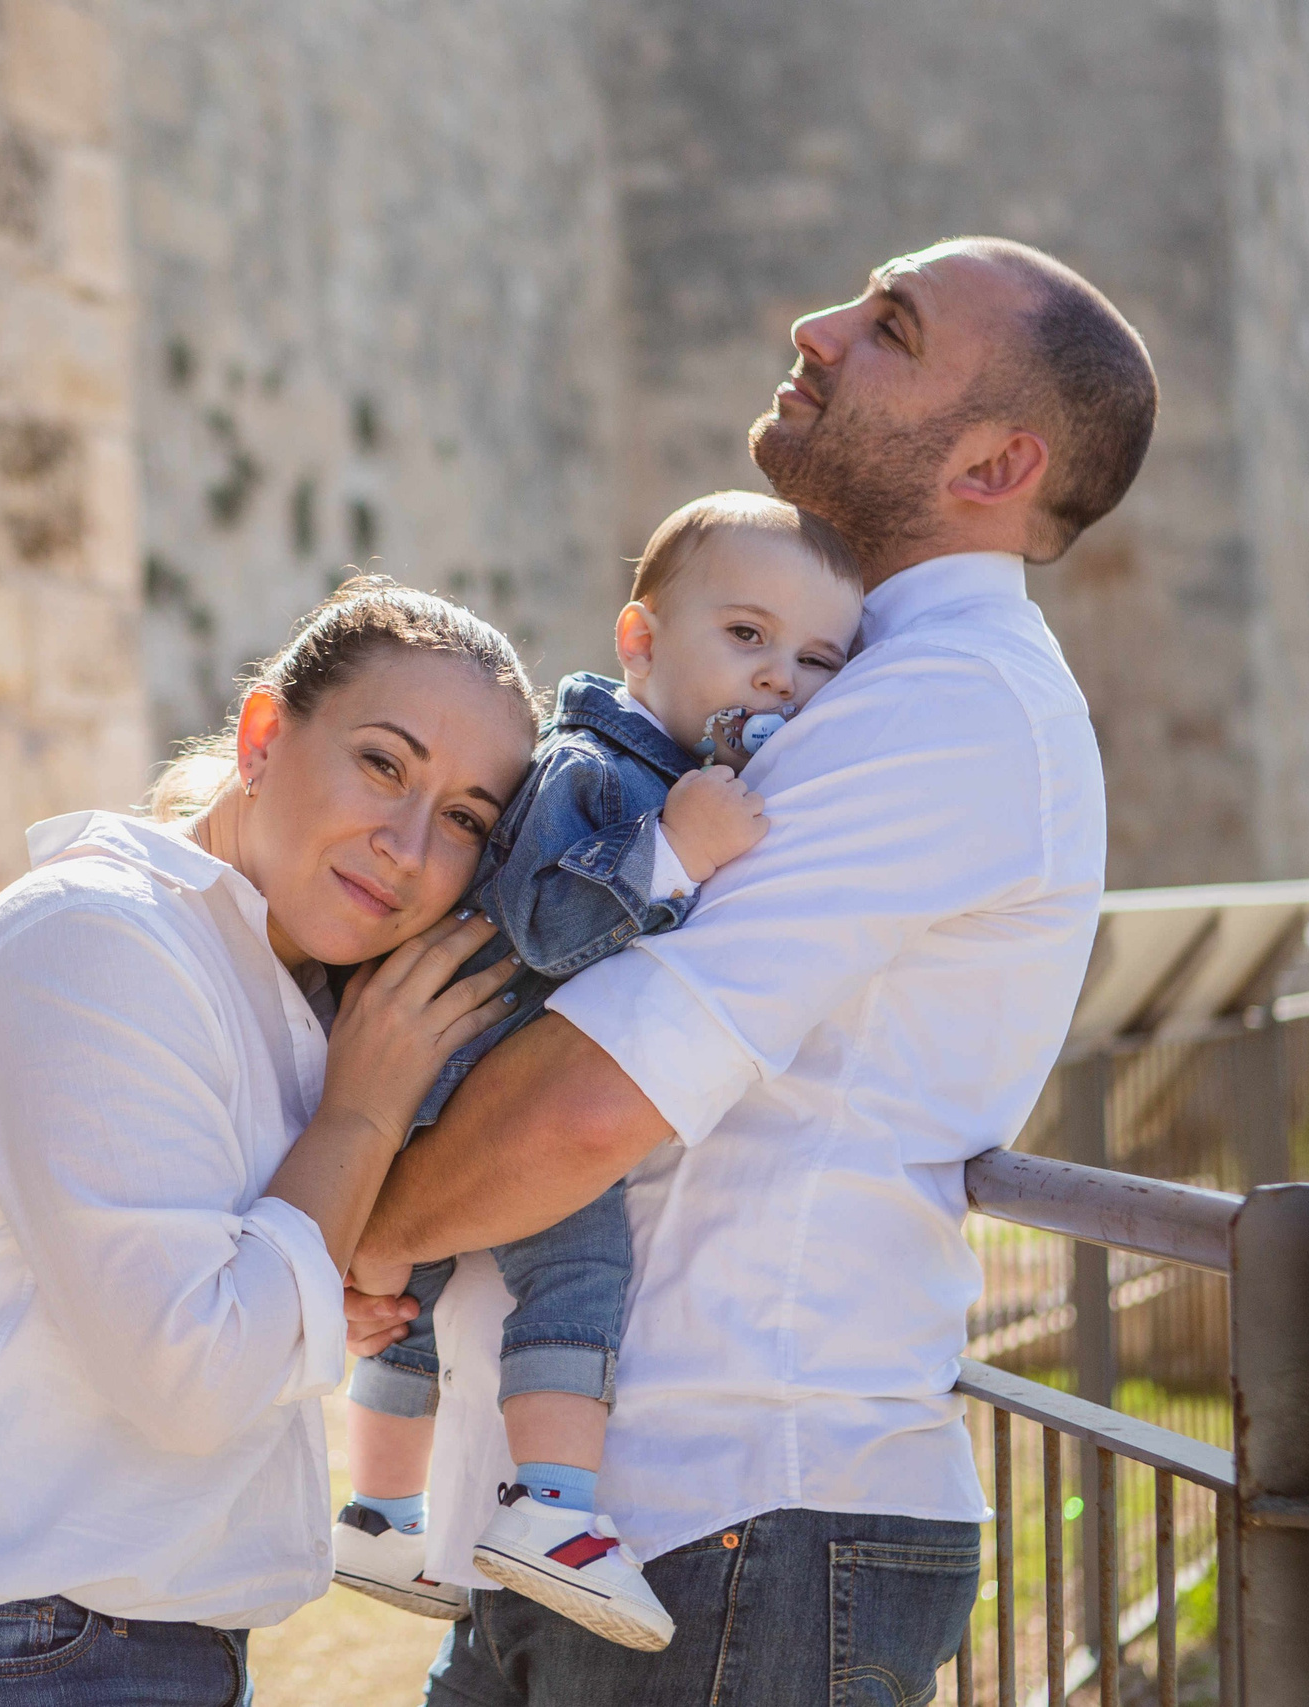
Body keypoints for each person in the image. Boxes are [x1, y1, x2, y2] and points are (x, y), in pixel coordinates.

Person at [344, 237, 1161, 1706]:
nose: (815, 324)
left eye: (891, 325)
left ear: (996, 462)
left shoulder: (943, 705)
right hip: (625, 1533)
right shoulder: (845, 683)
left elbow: (601, 1091)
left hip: (737, 1534)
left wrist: (361, 1237)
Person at [0, 578, 541, 1707]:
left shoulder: (278, 998)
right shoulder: (99, 938)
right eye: (381, 764)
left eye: (464, 819)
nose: (407, 846)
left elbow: (227, 1310)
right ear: (262, 738)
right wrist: (359, 1119)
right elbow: (196, 1377)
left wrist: (308, 1280)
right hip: (1, 1647)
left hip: (110, 1645)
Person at [331, 493, 865, 1654]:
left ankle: (378, 1512)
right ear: (640, 642)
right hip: (485, 1072)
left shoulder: (647, 769)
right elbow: (544, 924)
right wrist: (673, 851)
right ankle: (552, 1509)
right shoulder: (600, 774)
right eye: (746, 634)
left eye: (817, 660)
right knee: (578, 1268)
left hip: (453, 1068)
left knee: (413, 1291)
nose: (777, 677)